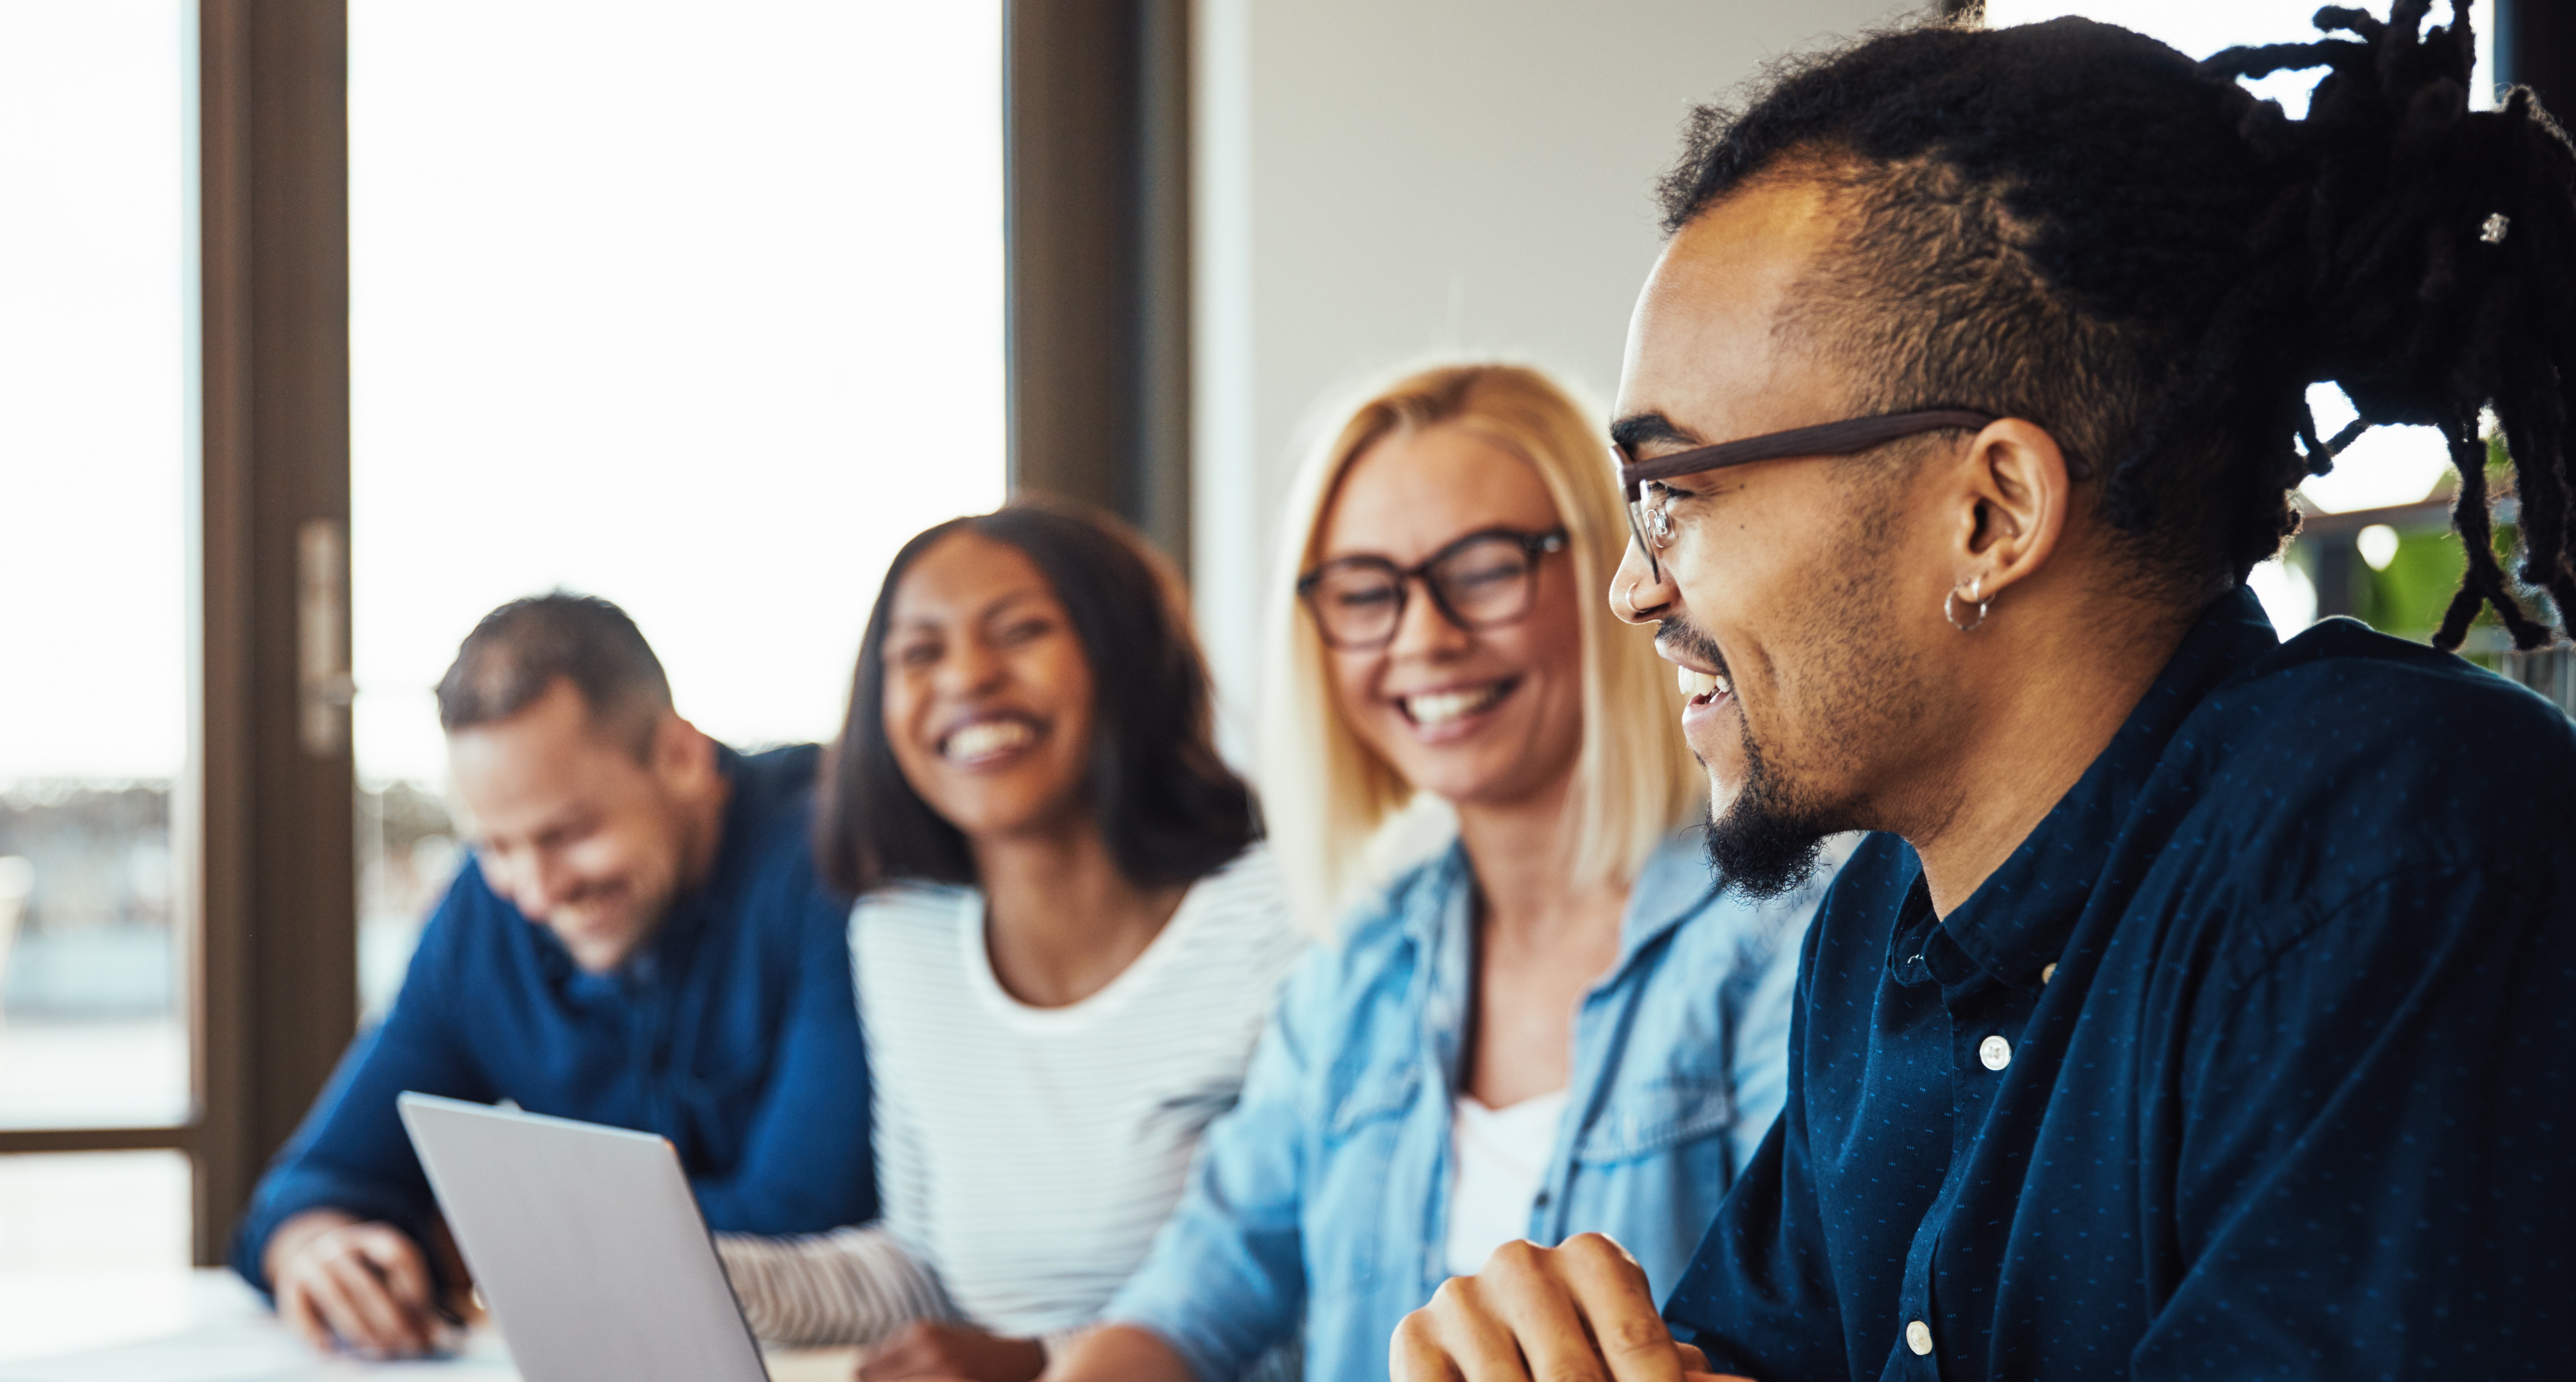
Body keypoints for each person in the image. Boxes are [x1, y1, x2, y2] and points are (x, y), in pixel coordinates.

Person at [1391, 8, 2576, 1381]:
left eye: (1676, 495)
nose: (1631, 589)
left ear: (1991, 514)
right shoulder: (1877, 930)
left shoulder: (2396, 863)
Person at [1033, 363, 1819, 1382]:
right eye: (1365, 591)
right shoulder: (1357, 970)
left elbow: (1821, 1333)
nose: (1422, 637)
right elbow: (1188, 1304)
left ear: (1614, 575)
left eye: (1485, 568)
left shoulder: (1784, 940)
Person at [714, 502, 1304, 1382]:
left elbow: (1327, 1306)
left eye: (1020, 632)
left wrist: (1039, 1363)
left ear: (1128, 661)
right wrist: (706, 1271)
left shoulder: (1281, 918)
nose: (967, 678)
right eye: (920, 653)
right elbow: (924, 1266)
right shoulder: (900, 936)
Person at [231, 593, 874, 1358]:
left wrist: (476, 1243)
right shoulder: (484, 911)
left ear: (681, 756)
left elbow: (802, 1219)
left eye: (568, 833)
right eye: (495, 846)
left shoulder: (834, 853)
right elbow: (316, 1179)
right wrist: (317, 1246)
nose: (536, 893)